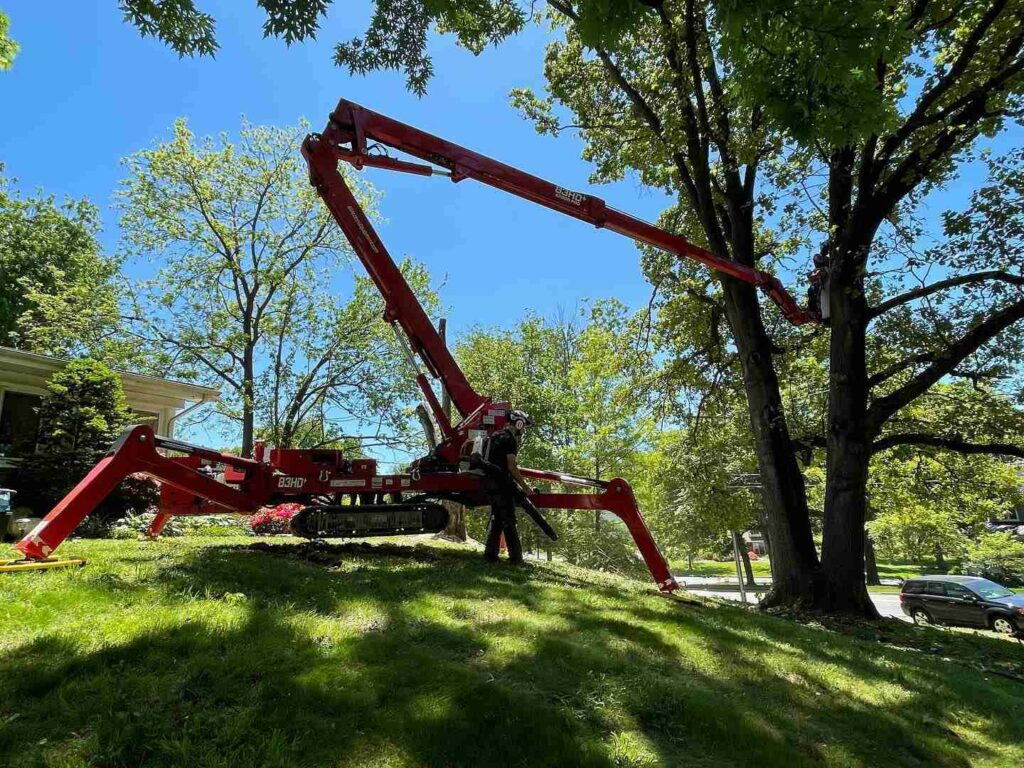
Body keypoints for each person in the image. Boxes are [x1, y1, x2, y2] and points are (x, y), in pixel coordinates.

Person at [480, 409, 534, 565]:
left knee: (497, 520)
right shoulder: (509, 439)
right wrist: (525, 487)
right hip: (502, 485)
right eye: (523, 426)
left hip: (489, 485)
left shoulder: (495, 436)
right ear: (518, 423)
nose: (523, 429)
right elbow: (511, 466)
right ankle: (516, 560)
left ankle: (490, 556)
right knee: (509, 521)